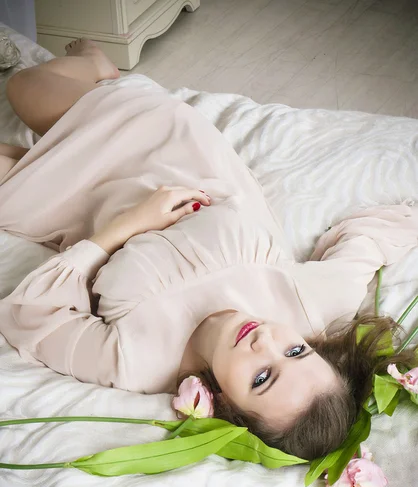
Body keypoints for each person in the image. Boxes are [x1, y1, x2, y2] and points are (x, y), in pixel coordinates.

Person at [0, 40, 417, 461]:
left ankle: (33, 155)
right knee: (23, 87)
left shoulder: (138, 362)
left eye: (262, 378)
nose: (265, 343)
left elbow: (32, 316)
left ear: (229, 408)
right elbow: (368, 240)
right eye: (296, 351)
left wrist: (125, 228)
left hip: (75, 200)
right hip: (162, 147)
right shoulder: (314, 305)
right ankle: (100, 69)